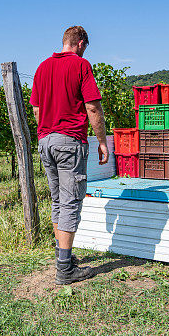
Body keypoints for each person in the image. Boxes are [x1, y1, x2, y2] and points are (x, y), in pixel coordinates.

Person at [30, 26, 109, 285]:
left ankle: (63, 257)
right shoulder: (80, 66)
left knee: (57, 201)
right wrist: (102, 142)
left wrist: (45, 135)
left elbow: (37, 110)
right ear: (81, 43)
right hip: (69, 141)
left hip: (46, 141)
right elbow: (93, 108)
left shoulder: (42, 68)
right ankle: (65, 269)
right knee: (70, 201)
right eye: (86, 46)